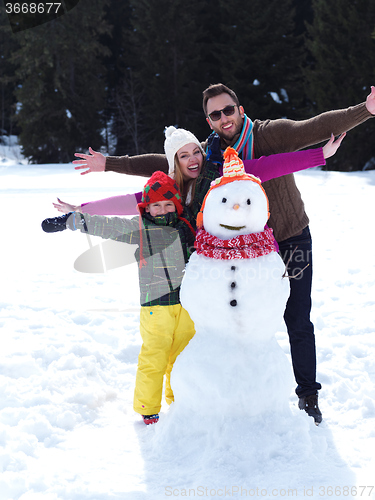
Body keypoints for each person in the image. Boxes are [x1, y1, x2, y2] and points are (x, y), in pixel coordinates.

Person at [71, 85, 375, 424]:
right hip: (245, 255)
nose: (223, 118)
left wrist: (366, 110)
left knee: (297, 318)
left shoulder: (267, 134)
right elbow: (163, 165)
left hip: (290, 239)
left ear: (240, 109)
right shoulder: (209, 157)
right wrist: (108, 165)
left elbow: (309, 131)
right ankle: (242, 394)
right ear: (209, 121)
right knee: (243, 323)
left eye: (228, 110)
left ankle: (308, 395)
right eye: (215, 114)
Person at [42, 171, 197, 425]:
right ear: (147, 207)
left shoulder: (187, 227)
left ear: (177, 204)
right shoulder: (140, 228)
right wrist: (71, 220)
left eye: (168, 204)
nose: (162, 210)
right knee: (154, 356)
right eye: (156, 205)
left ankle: (180, 402)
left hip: (187, 306)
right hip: (155, 307)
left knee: (183, 357)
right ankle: (148, 408)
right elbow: (107, 225)